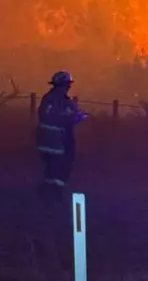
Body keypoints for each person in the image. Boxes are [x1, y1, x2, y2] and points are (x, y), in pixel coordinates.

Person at [35, 70, 86, 200]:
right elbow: (49, 116)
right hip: (54, 141)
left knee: (56, 168)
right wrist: (70, 118)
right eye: (67, 84)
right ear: (62, 85)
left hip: (58, 140)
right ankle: (53, 194)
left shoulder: (61, 100)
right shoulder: (52, 99)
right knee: (57, 167)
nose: (69, 87)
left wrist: (77, 116)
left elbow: (72, 114)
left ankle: (51, 193)